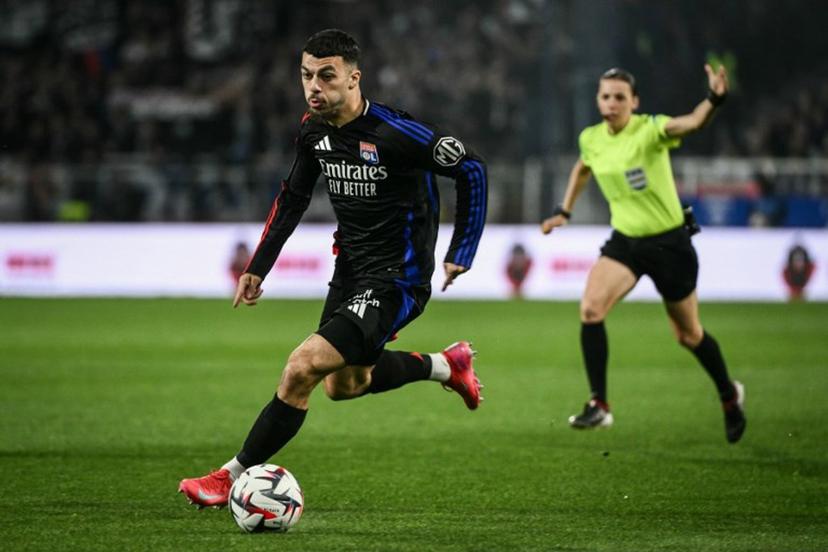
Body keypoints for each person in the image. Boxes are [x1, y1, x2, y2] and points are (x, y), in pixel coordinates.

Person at [179, 29, 488, 507]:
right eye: (306, 76)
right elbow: (293, 199)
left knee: (302, 368)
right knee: (344, 386)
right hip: (350, 274)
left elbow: (472, 169)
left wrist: (461, 251)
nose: (313, 87)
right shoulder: (313, 131)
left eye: (326, 76)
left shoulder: (397, 134)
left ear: (353, 78)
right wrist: (259, 265)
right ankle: (448, 366)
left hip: (397, 279)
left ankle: (229, 475)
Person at [540, 65, 746, 443]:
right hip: (626, 243)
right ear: (598, 100)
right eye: (606, 96)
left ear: (634, 102)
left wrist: (714, 98)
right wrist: (564, 210)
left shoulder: (650, 130)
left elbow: (693, 123)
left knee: (688, 335)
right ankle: (599, 405)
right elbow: (583, 168)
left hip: (669, 244)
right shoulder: (592, 138)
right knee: (590, 309)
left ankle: (729, 395)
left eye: (620, 97)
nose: (612, 103)